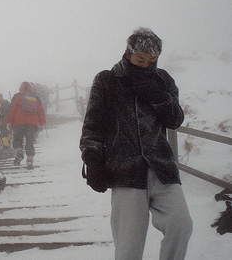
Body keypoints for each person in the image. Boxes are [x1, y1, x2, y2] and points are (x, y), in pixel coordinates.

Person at [79, 27, 192, 260]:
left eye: (152, 60)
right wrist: (92, 159)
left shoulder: (162, 80)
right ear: (128, 53)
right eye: (140, 59)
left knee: (181, 225)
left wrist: (157, 95)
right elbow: (92, 124)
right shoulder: (107, 80)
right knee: (129, 247)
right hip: (125, 171)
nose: (145, 65)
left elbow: (175, 120)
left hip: (162, 169)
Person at [5, 81, 46, 169]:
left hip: (18, 122)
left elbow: (12, 110)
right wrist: (42, 123)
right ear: (30, 88)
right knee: (30, 141)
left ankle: (19, 152)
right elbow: (40, 111)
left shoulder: (17, 96)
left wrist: (9, 122)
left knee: (17, 140)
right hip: (32, 123)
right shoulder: (35, 97)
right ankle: (30, 160)